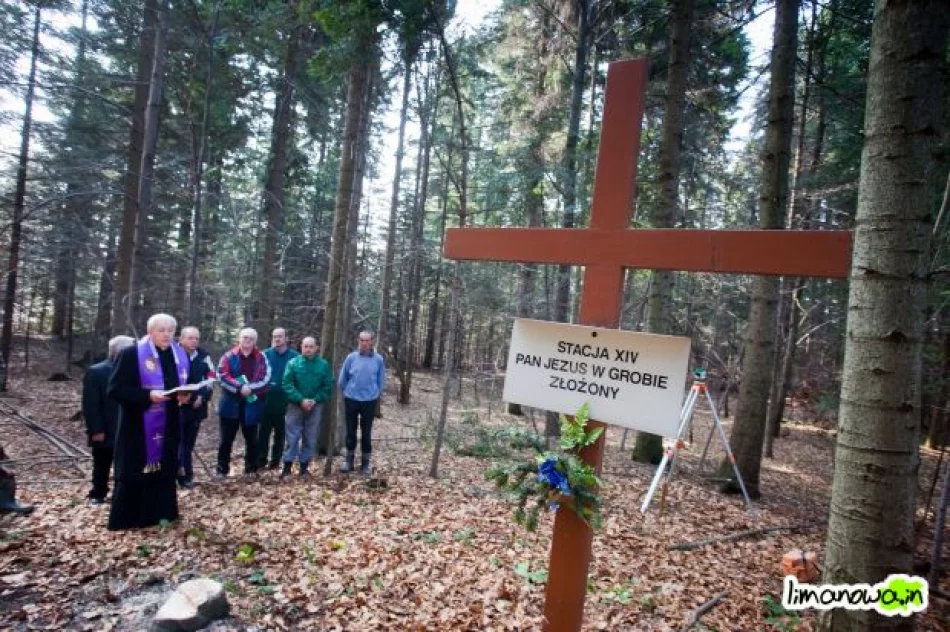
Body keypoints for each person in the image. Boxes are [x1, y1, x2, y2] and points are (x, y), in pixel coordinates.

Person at [107, 314, 192, 530]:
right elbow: (115, 390)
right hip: (137, 425)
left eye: (170, 330)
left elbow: (181, 385)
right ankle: (130, 519)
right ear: (149, 331)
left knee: (165, 470)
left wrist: (185, 396)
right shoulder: (131, 354)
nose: (166, 335)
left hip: (169, 424)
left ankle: (161, 515)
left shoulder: (178, 355)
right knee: (135, 471)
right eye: (161, 330)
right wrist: (147, 396)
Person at [82, 334, 134, 503]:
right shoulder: (97, 371)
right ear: (118, 351)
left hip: (128, 428)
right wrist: (96, 430)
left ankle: (123, 495)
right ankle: (98, 493)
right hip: (105, 427)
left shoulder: (135, 371)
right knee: (101, 463)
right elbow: (91, 404)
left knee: (126, 464)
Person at [216, 328, 271, 478]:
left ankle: (251, 469)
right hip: (230, 404)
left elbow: (266, 379)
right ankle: (222, 470)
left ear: (255, 342)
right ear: (239, 339)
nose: (247, 341)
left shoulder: (262, 357)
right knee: (226, 440)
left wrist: (250, 388)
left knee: (252, 440)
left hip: (252, 405)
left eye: (251, 339)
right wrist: (239, 387)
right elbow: (222, 376)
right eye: (245, 337)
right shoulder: (228, 356)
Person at [280, 336, 332, 480]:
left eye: (311, 347)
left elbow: (327, 386)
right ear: (301, 347)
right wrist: (300, 399)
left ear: (316, 348)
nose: (308, 349)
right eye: (305, 346)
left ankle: (304, 469)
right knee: (292, 436)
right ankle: (286, 468)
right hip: (295, 405)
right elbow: (287, 384)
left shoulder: (323, 365)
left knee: (310, 436)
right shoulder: (293, 363)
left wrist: (315, 400)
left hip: (315, 406)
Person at [338, 330, 386, 474]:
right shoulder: (351, 358)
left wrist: (376, 393)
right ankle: (349, 461)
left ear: (372, 342)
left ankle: (365, 464)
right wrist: (347, 392)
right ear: (358, 341)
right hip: (352, 399)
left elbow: (381, 380)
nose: (364, 343)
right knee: (350, 431)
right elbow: (343, 379)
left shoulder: (378, 359)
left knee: (366, 433)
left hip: (369, 401)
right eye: (362, 340)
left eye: (367, 340)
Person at [177, 326, 216, 489]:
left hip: (196, 408)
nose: (194, 341)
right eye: (190, 338)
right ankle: (174, 475)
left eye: (196, 339)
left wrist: (202, 396)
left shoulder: (204, 356)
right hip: (177, 406)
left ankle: (187, 476)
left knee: (188, 444)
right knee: (176, 443)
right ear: (181, 339)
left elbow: (211, 378)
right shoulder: (173, 354)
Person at [258, 328, 299, 470]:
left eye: (280, 336)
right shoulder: (264, 355)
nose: (277, 339)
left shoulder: (294, 356)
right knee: (263, 432)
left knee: (281, 433)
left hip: (286, 400)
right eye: (274, 336)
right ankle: (260, 460)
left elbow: (297, 378)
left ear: (286, 338)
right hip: (266, 399)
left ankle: (275, 462)